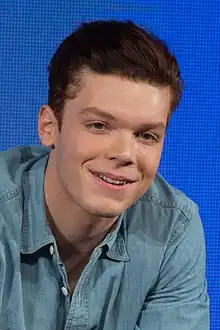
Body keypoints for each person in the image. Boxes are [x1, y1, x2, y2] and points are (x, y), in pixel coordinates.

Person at [0, 20, 209, 329]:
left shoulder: (172, 230)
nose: (125, 154)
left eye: (146, 136)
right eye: (99, 125)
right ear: (48, 127)